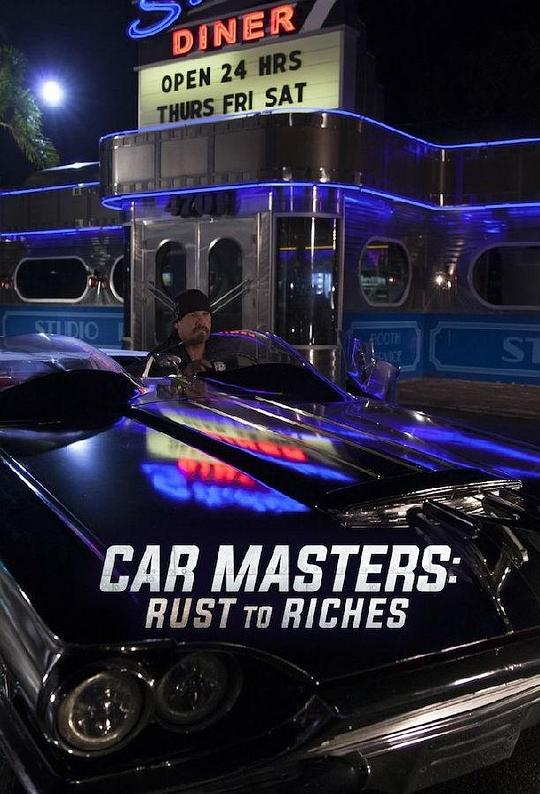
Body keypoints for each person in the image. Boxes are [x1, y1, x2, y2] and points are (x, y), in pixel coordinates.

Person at [143, 289, 227, 378]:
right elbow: (147, 382)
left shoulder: (224, 352)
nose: (201, 320)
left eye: (205, 314)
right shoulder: (159, 358)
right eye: (193, 315)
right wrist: (183, 376)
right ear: (177, 323)